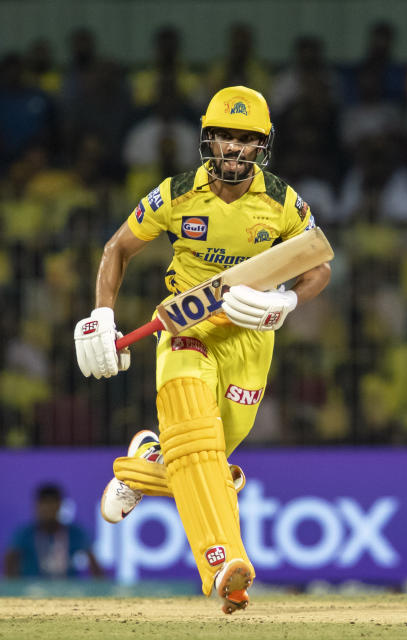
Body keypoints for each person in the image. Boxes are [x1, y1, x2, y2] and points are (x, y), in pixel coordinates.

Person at [72, 86, 332, 613]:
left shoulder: (282, 201)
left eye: (247, 140)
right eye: (225, 138)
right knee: (198, 444)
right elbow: (117, 247)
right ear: (207, 140)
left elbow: (318, 266)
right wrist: (103, 313)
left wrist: (287, 302)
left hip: (251, 339)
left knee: (210, 458)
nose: (234, 149)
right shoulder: (177, 193)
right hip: (185, 331)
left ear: (263, 146)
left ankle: (145, 464)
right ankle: (224, 567)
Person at [4, 484, 103, 579]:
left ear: (60, 505)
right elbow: (10, 565)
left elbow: (95, 568)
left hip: (67, 592)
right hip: (32, 592)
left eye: (52, 504)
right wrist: (15, 591)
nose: (48, 509)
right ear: (37, 506)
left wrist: (99, 590)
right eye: (44, 504)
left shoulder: (75, 534)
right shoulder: (24, 535)